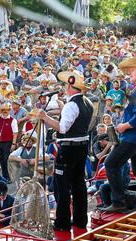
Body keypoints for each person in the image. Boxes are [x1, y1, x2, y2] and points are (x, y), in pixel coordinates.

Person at [37, 70, 94, 231]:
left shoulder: (71, 105)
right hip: (82, 146)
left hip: (68, 148)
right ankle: (80, 220)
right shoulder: (88, 102)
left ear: (69, 85)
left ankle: (62, 223)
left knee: (62, 186)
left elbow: (62, 128)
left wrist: (46, 118)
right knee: (78, 184)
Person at [103, 57, 136, 212]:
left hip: (135, 136)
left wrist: (124, 126)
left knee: (111, 164)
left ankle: (119, 202)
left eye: (132, 70)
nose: (128, 73)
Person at [0, 103, 18, 182]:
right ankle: (4, 176)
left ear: (9, 110)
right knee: (1, 159)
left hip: (8, 142)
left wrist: (14, 144)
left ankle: (9, 177)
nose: (5, 111)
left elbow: (15, 133)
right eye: (3, 110)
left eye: (7, 110)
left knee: (6, 160)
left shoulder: (13, 120)